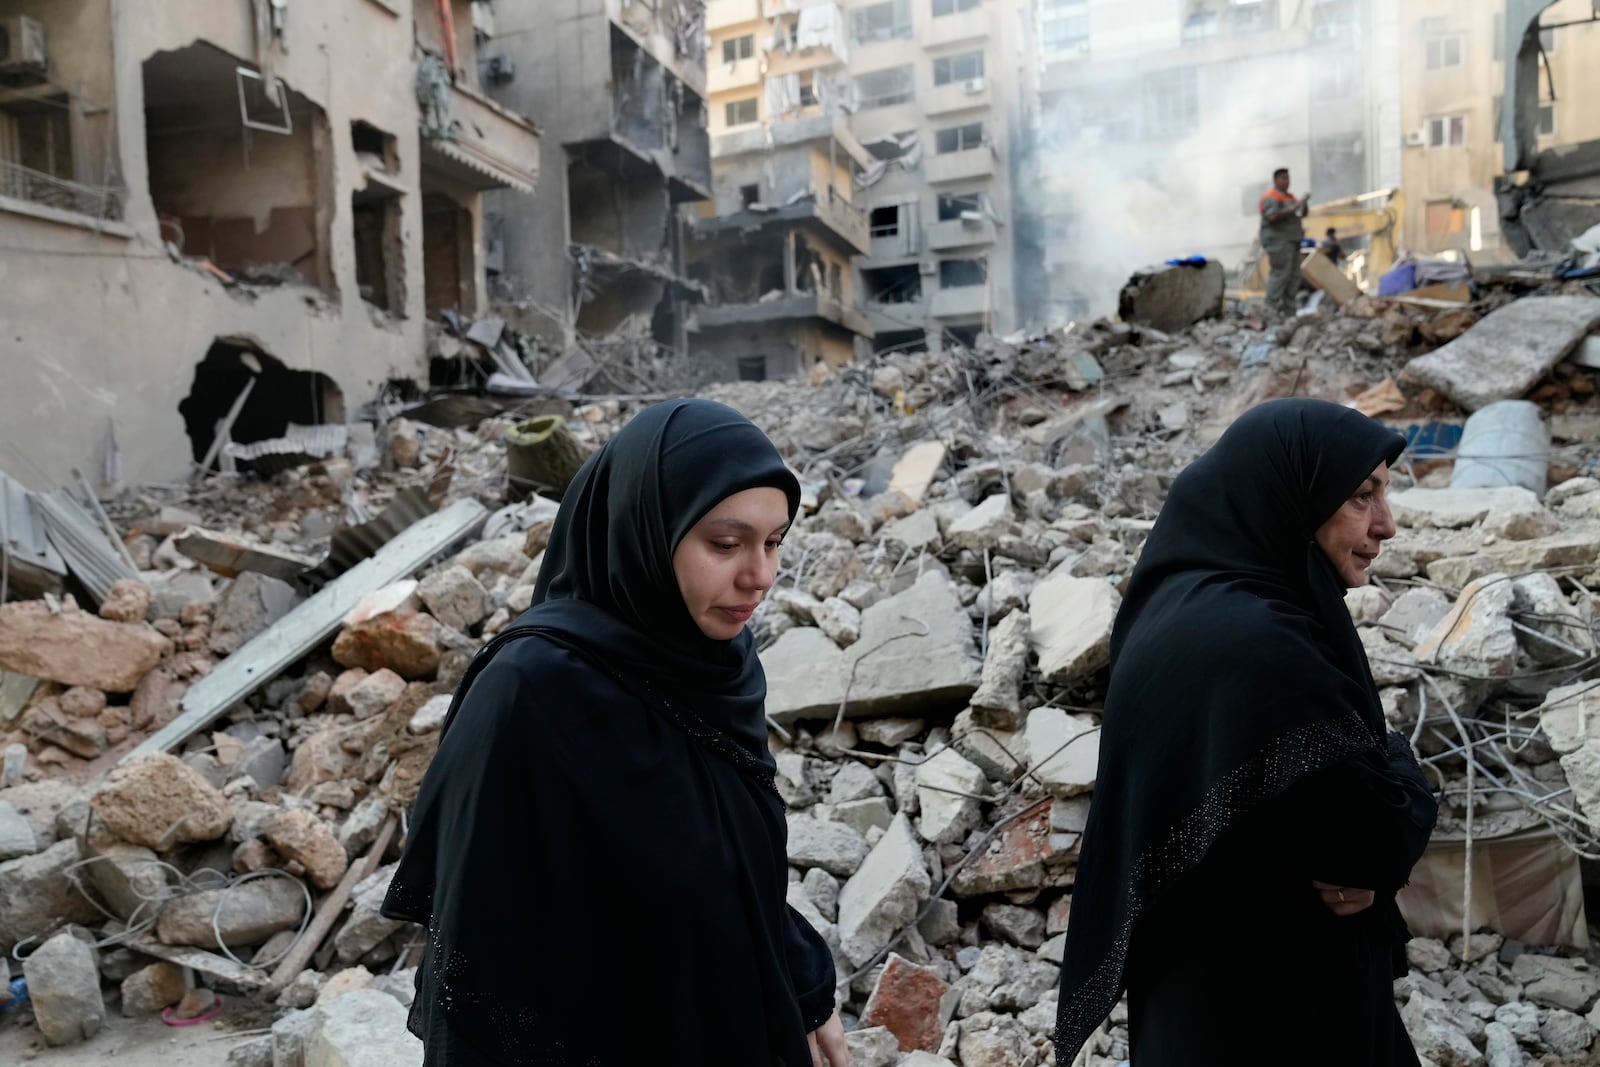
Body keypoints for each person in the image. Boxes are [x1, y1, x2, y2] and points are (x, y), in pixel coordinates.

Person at [382, 399, 849, 1067]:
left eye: (774, 542)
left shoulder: (716, 669)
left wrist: (802, 983)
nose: (761, 576)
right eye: (726, 543)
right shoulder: (532, 695)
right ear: (647, 526)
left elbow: (732, 871)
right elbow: (484, 964)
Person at [1053, 399, 1438, 1066]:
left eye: (1385, 491)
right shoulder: (1259, 650)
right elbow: (1377, 837)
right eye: (1361, 494)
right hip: (1278, 1012)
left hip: (1200, 1003)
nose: (1387, 524)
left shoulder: (1181, 603)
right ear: (1292, 497)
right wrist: (1403, 765)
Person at [1260, 167, 1310, 315]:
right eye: (1283, 178)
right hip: (1278, 242)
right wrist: (1296, 206)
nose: (1287, 181)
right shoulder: (1271, 197)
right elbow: (1273, 217)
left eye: (1288, 178)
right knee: (1280, 273)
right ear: (1275, 180)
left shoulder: (1289, 197)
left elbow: (1301, 213)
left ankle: (1289, 311)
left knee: (1294, 275)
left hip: (1292, 241)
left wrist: (1303, 204)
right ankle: (1270, 308)